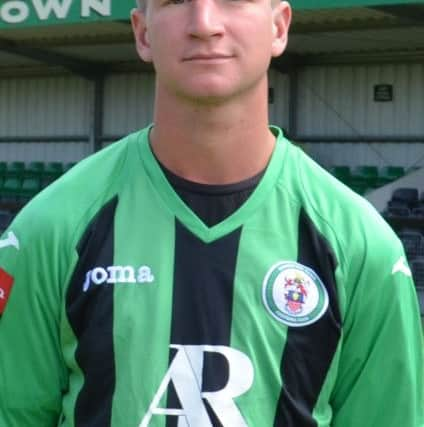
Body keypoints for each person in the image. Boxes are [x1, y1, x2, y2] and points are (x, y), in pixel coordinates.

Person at [0, 0, 423, 425]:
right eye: (175, 1)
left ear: (279, 27)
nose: (203, 23)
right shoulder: (48, 229)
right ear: (143, 33)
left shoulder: (363, 247)